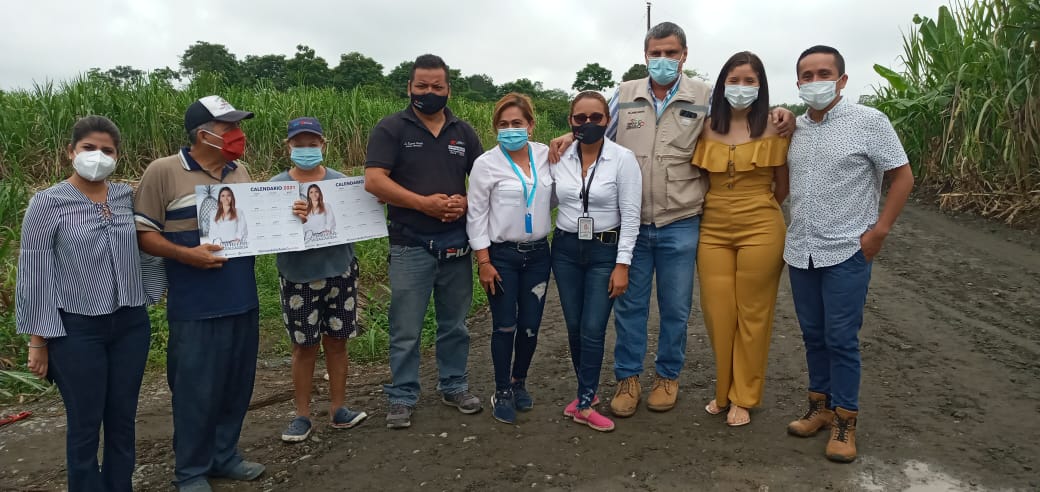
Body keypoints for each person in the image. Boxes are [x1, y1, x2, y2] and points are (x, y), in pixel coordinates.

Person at [549, 22, 795, 418]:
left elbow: (742, 116)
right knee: (629, 306)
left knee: (676, 308)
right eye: (656, 53)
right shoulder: (625, 94)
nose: (663, 59)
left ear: (684, 55)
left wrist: (782, 113)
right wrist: (566, 137)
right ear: (645, 55)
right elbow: (594, 129)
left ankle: (667, 377)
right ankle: (628, 379)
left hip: (681, 220)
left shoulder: (704, 96)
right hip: (631, 224)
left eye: (671, 53)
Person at [783, 45, 914, 463]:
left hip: (846, 250)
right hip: (801, 250)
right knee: (812, 334)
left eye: (824, 73)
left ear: (841, 80)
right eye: (807, 75)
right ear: (798, 82)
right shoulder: (794, 129)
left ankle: (845, 419)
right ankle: (819, 407)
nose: (815, 81)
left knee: (841, 338)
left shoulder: (869, 122)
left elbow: (902, 175)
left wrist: (880, 231)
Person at [134, 95, 265, 491]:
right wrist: (186, 255)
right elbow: (143, 234)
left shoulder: (240, 172)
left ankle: (225, 456)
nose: (238, 135)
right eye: (230, 128)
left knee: (236, 385)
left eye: (238, 127)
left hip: (241, 297)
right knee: (195, 391)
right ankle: (190, 471)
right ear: (203, 135)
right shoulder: (164, 171)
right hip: (195, 305)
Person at [18, 116, 150, 492]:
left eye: (107, 150)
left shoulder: (126, 197)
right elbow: (35, 271)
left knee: (122, 418)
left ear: (118, 157)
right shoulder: (47, 202)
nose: (98, 156)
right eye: (89, 148)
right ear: (70, 152)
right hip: (76, 330)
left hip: (130, 324)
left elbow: (150, 243)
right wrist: (38, 341)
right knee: (85, 423)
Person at [364, 54, 485, 429]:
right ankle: (402, 395)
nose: (429, 92)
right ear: (409, 87)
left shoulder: (463, 132)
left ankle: (454, 385)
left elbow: (484, 179)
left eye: (437, 86)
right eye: (422, 86)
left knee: (455, 324)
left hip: (456, 244)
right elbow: (374, 181)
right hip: (409, 244)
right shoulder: (391, 129)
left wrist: (467, 201)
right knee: (406, 328)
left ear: (448, 89)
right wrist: (423, 204)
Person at [692, 52, 789, 428]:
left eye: (750, 81)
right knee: (718, 312)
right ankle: (723, 391)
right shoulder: (705, 126)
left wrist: (758, 209)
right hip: (713, 228)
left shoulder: (776, 127)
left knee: (753, 313)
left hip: (761, 227)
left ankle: (743, 397)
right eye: (734, 80)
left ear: (761, 86)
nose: (742, 87)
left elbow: (782, 185)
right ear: (722, 85)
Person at [269, 117, 368, 441]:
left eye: (312, 144)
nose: (306, 150)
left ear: (323, 145)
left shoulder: (341, 183)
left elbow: (359, 219)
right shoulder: (275, 186)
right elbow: (266, 231)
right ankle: (302, 415)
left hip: (339, 272)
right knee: (303, 346)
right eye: (299, 144)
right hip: (297, 277)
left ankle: (339, 409)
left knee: (338, 343)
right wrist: (288, 218)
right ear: (288, 147)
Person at [552, 91, 642, 432]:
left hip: (605, 250)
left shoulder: (622, 158)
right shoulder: (558, 156)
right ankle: (584, 395)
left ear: (607, 120)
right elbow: (544, 198)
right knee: (575, 326)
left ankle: (586, 403)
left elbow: (631, 215)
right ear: (571, 121)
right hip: (565, 249)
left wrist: (623, 264)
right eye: (580, 118)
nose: (588, 123)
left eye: (596, 118)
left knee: (593, 327)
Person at [465, 93, 554, 424]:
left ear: (530, 125)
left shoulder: (546, 156)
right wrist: (483, 262)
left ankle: (519, 382)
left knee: (530, 326)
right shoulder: (486, 164)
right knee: (504, 326)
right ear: (495, 129)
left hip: (538, 254)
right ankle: (501, 389)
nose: (510, 129)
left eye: (517, 123)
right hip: (501, 256)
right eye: (503, 124)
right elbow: (476, 214)